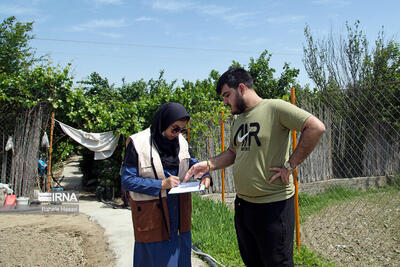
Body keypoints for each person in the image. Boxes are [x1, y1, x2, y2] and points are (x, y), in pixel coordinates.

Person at [183, 67, 326, 267]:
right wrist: (207, 164)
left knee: (277, 263)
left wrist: (290, 165)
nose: (225, 102)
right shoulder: (239, 119)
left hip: (273, 207)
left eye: (227, 95)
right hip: (244, 206)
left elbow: (316, 127)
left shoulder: (274, 108)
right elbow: (232, 152)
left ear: (241, 88)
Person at [121, 102, 211, 267]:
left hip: (178, 211)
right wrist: (160, 184)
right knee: (155, 259)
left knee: (180, 256)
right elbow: (127, 180)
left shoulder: (180, 141)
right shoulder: (138, 143)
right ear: (163, 122)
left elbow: (192, 162)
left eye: (182, 130)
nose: (177, 134)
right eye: (174, 128)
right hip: (152, 213)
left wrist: (205, 174)